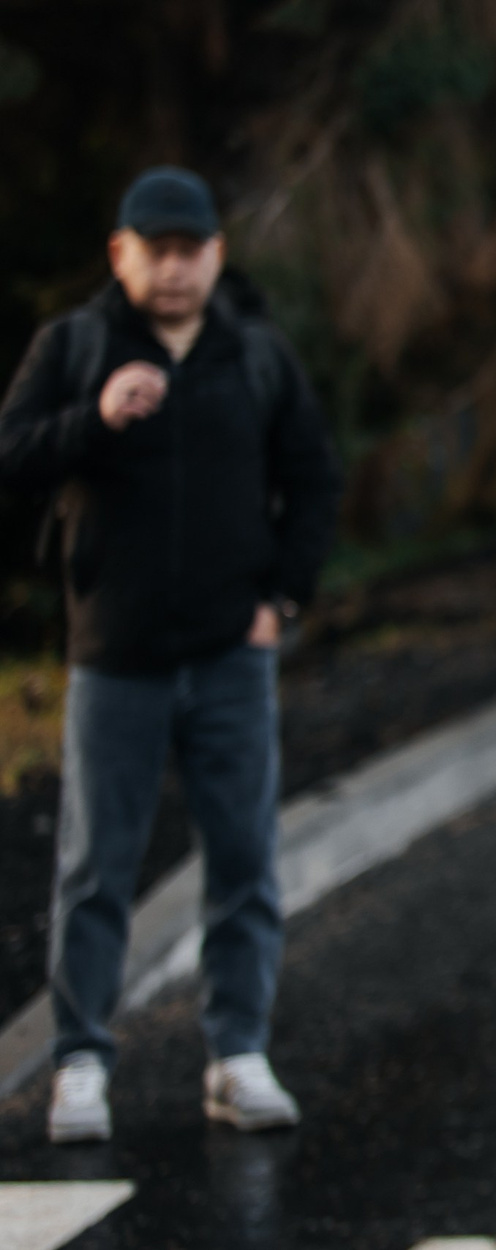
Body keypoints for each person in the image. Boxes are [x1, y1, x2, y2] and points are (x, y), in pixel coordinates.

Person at [0, 167, 341, 1144]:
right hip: (115, 653)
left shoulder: (254, 354)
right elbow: (13, 454)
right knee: (95, 865)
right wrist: (93, 419)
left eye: (192, 248)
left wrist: (281, 594)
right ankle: (79, 1061)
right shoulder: (76, 346)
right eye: (157, 248)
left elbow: (313, 476)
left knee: (243, 859)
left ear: (216, 255)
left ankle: (238, 1053)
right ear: (122, 253)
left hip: (233, 655)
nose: (176, 266)